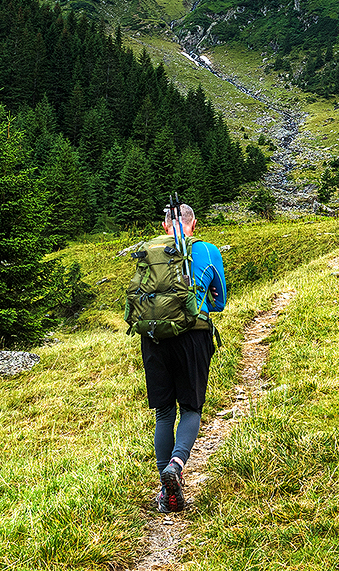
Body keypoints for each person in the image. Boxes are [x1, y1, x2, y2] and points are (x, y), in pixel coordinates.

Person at [141, 201, 226, 514]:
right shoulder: (206, 250)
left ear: (165, 226)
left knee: (163, 413)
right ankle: (176, 466)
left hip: (153, 337)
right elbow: (220, 303)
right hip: (192, 335)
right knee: (191, 407)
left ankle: (166, 491)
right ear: (195, 223)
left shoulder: (149, 250)